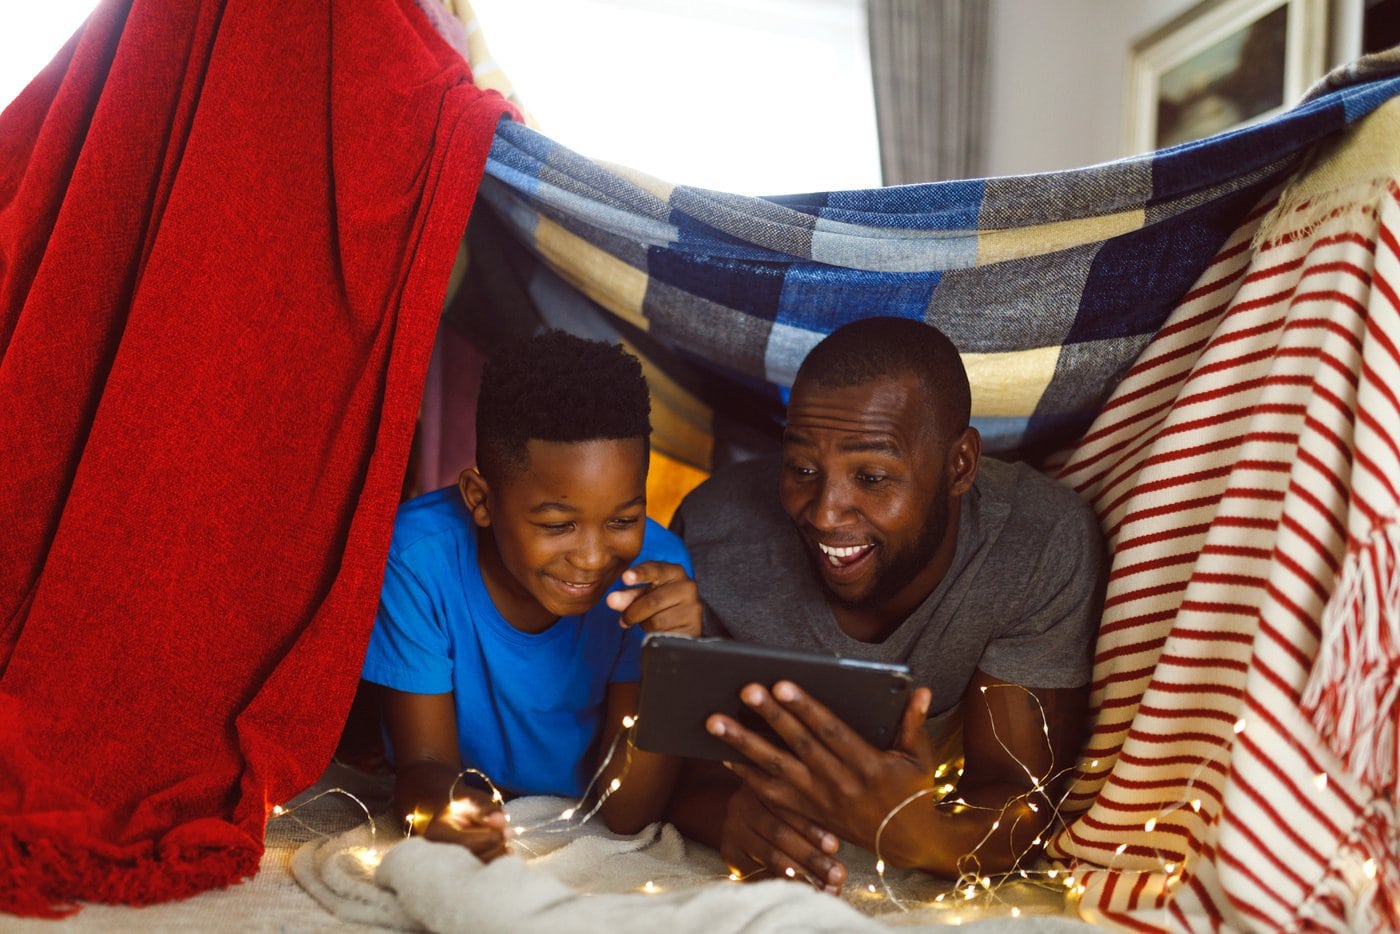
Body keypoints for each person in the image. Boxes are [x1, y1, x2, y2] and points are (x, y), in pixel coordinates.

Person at [665, 316, 1106, 893]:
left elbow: (1022, 801)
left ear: (960, 466)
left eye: (872, 477)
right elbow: (676, 777)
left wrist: (915, 833)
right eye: (802, 468)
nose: (825, 512)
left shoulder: (1036, 545)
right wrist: (732, 820)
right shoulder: (714, 536)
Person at [362, 329, 701, 861]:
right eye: (558, 524)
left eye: (623, 519)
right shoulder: (418, 559)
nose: (592, 557)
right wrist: (452, 816)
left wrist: (672, 663)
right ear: (480, 499)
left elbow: (628, 812)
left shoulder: (657, 578)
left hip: (589, 817)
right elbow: (424, 764)